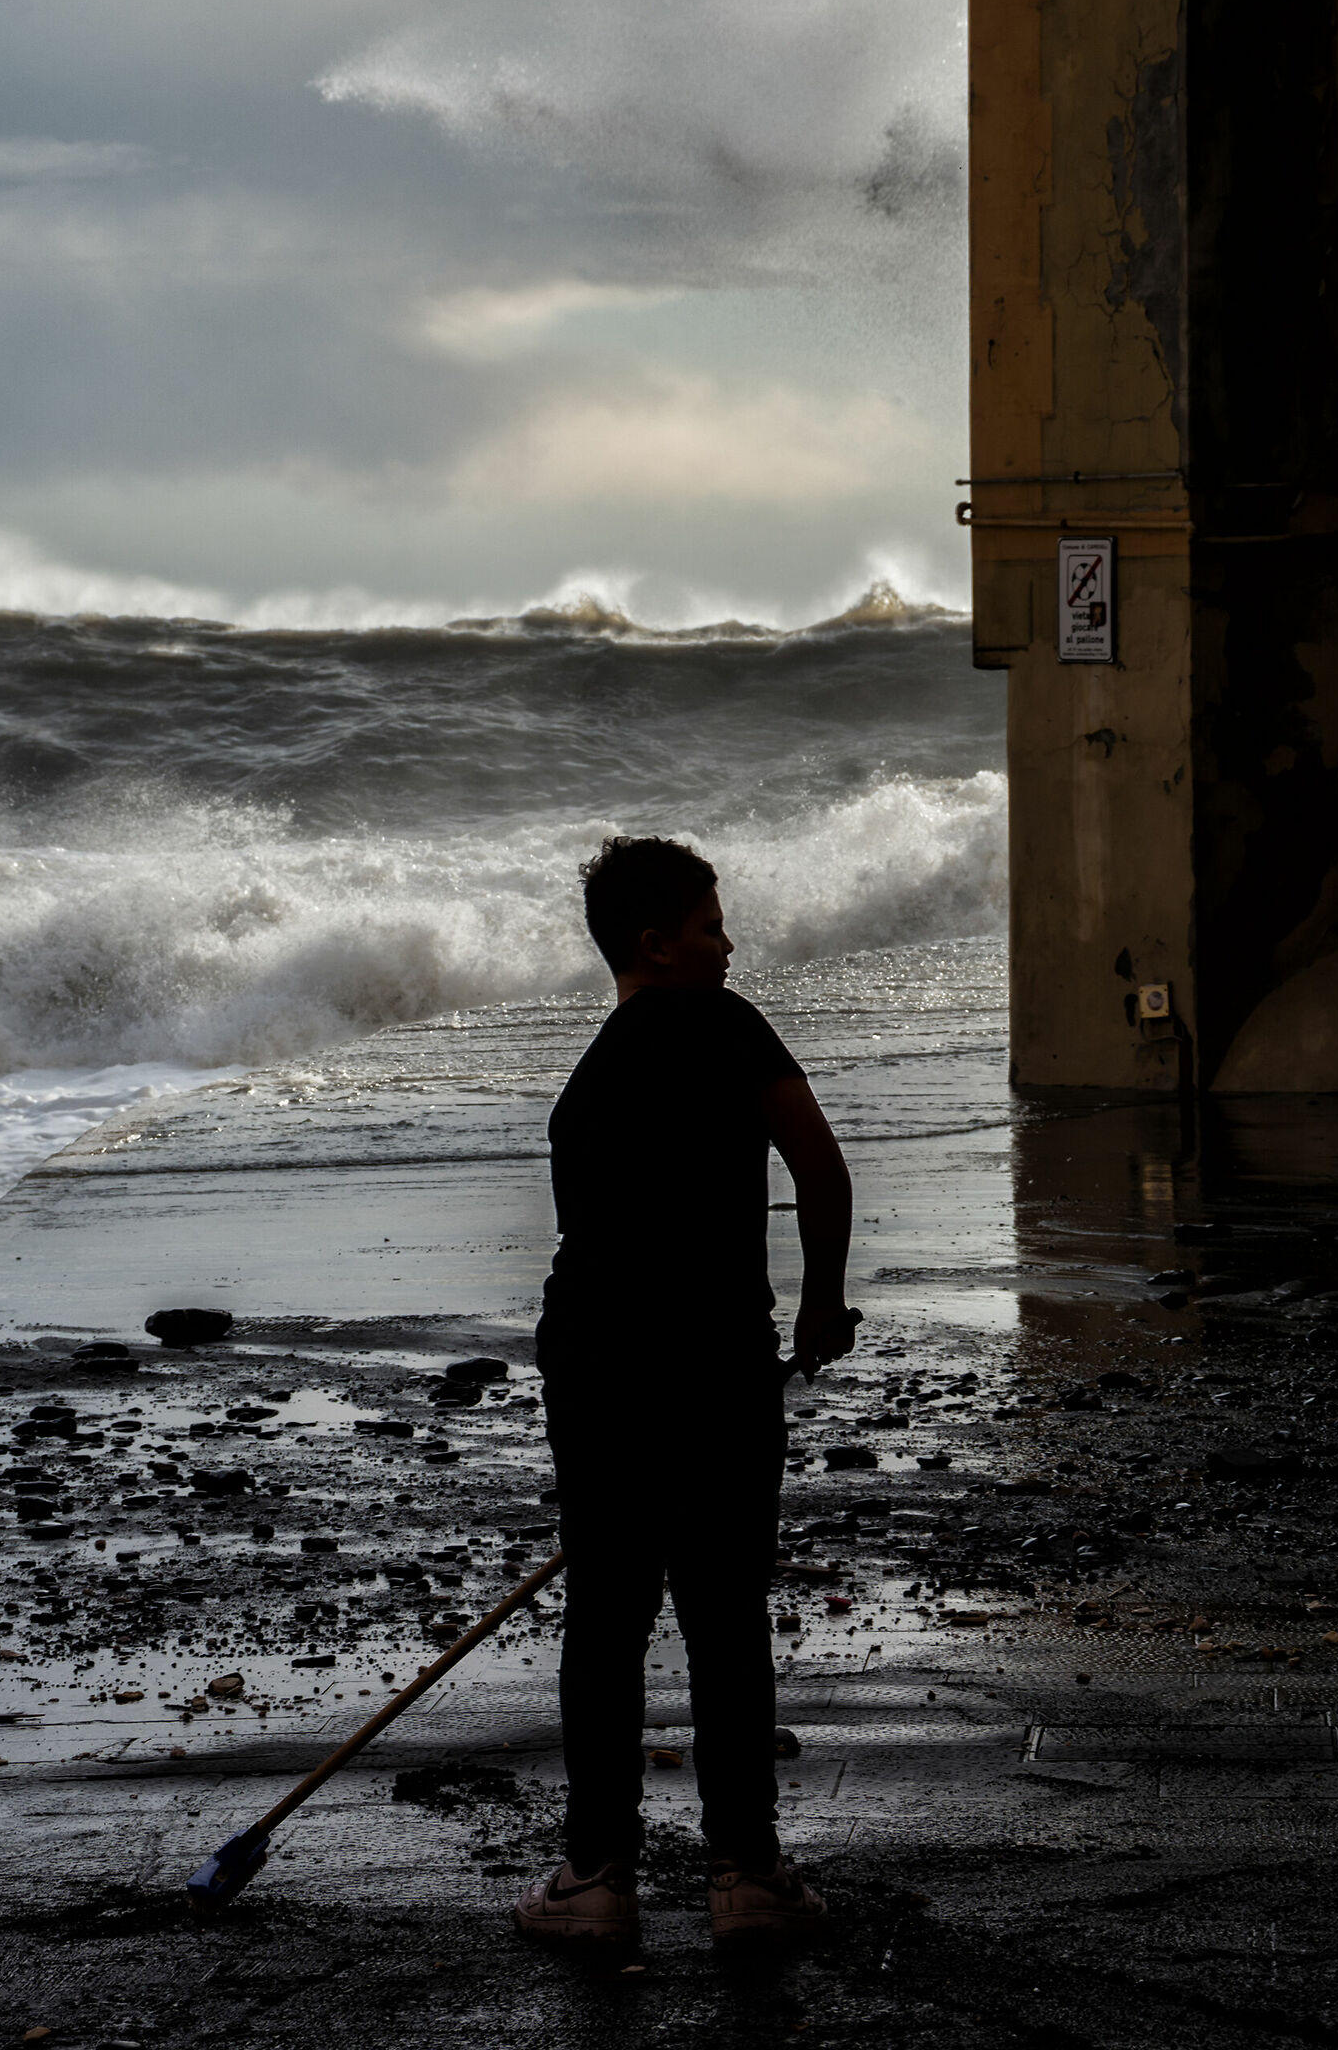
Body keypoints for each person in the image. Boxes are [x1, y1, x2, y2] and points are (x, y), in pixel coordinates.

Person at [514, 834, 858, 1949]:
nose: (729, 944)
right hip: (714, 1363)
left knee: (606, 1620)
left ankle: (597, 1879)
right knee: (722, 1614)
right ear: (658, 944)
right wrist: (819, 1308)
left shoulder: (587, 1083)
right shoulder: (726, 1023)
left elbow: (593, 1240)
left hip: (597, 1365)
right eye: (712, 927)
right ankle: (745, 1877)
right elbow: (820, 1167)